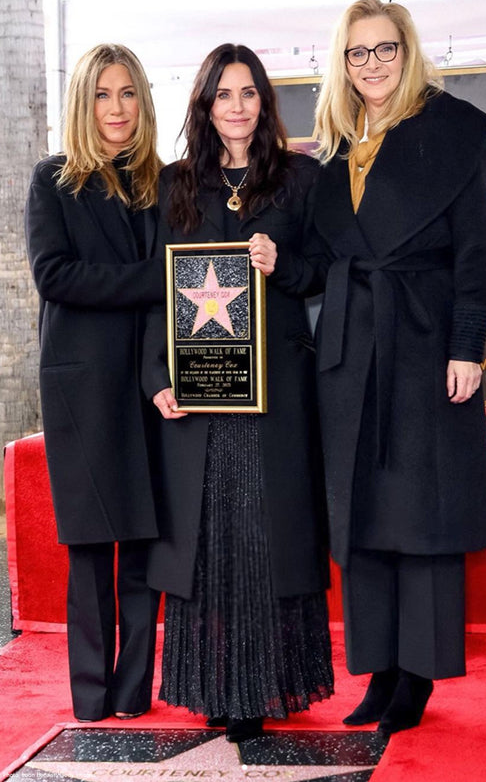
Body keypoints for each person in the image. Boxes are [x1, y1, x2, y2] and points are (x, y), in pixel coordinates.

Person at [275, 0, 486, 736]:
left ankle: (416, 677)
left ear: (407, 50)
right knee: (360, 515)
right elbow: (323, 261)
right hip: (347, 351)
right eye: (356, 53)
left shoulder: (455, 133)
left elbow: (475, 252)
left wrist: (469, 345)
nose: (371, 64)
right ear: (341, 64)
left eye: (384, 49)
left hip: (425, 343)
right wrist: (277, 264)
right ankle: (376, 670)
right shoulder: (334, 148)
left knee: (420, 513)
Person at [141, 43, 333, 742]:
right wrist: (156, 377)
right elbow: (155, 298)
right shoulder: (173, 185)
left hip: (276, 394)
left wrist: (281, 264)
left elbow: (324, 272)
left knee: (262, 537)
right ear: (204, 104)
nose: (237, 106)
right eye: (224, 94)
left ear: (265, 102)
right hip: (198, 402)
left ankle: (261, 684)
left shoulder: (300, 180)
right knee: (207, 542)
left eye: (249, 92)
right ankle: (212, 683)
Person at [24, 44, 164, 722]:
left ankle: (133, 691)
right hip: (81, 387)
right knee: (89, 548)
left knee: (142, 544)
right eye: (104, 94)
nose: (117, 107)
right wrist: (151, 278)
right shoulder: (53, 179)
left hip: (148, 384)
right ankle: (89, 694)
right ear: (84, 102)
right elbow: (55, 275)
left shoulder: (159, 184)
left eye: (128, 93)